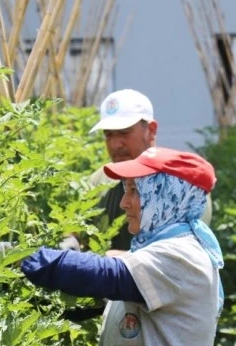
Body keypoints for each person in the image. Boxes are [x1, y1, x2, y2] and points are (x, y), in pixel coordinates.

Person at [19, 147, 223, 346]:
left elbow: (106, 277)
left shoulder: (182, 256)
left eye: (133, 191)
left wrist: (23, 258)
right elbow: (106, 299)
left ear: (168, 195)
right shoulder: (151, 252)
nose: (124, 202)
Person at [88, 89, 211, 251]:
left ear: (151, 130)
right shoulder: (98, 181)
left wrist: (113, 262)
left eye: (124, 133)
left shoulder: (181, 183)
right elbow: (76, 233)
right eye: (108, 135)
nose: (115, 144)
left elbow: (180, 254)